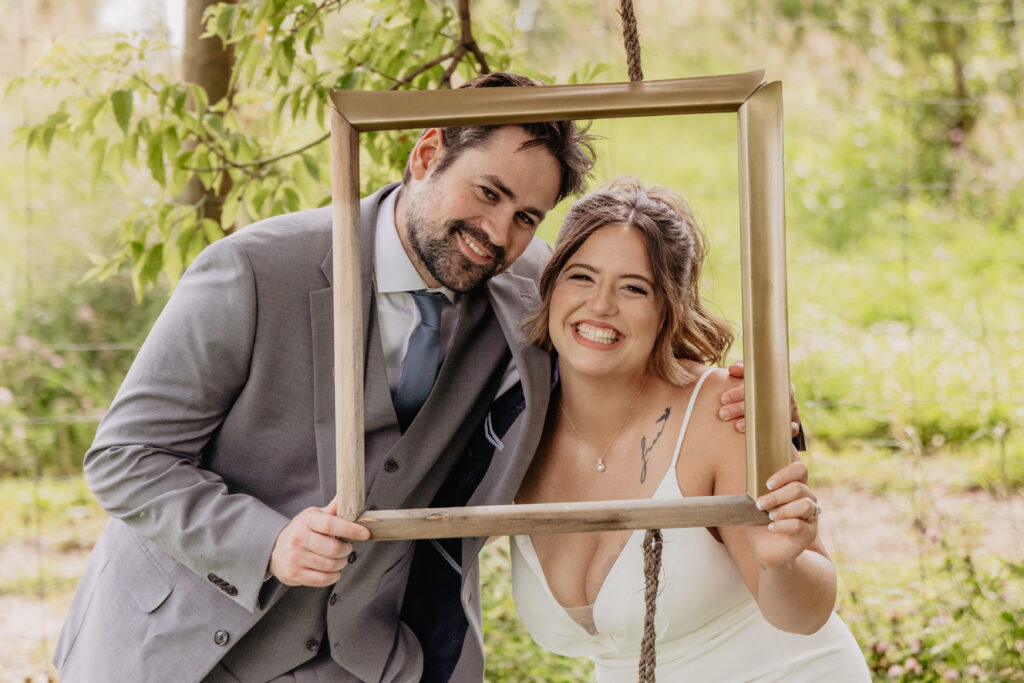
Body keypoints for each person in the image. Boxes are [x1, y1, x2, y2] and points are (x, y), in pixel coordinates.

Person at [53, 73, 768, 683]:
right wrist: (267, 541)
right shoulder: (252, 270)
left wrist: (741, 399)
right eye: (486, 193)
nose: (497, 232)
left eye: (525, 216)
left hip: (362, 657)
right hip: (180, 645)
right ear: (425, 153)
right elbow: (125, 458)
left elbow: (625, 329)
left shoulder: (529, 288)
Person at [511, 178, 870, 681]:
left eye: (634, 287)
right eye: (581, 277)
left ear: (669, 309)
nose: (600, 305)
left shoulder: (722, 413)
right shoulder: (514, 430)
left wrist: (782, 565)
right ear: (549, 287)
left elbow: (804, 616)